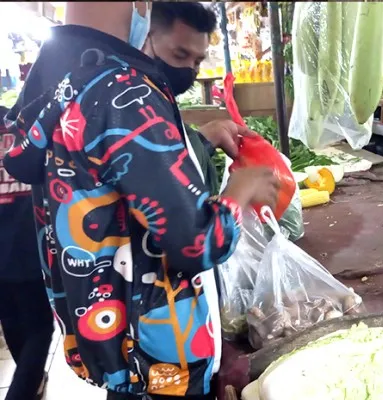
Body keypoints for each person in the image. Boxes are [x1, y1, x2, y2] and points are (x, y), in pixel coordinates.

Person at [3, 2, 279, 399]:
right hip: (159, 356)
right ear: (140, 8)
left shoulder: (67, 80)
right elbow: (197, 243)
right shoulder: (122, 91)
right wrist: (241, 191)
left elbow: (125, 183)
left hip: (115, 340)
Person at [142, 2, 226, 194]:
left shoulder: (159, 102)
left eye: (197, 62)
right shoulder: (128, 106)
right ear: (146, 39)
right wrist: (242, 190)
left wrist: (202, 140)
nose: (190, 69)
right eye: (180, 55)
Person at [0, 105, 53, 400]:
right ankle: (24, 388)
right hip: (31, 242)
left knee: (10, 316)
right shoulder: (25, 122)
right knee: (39, 326)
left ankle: (30, 380)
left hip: (21, 241)